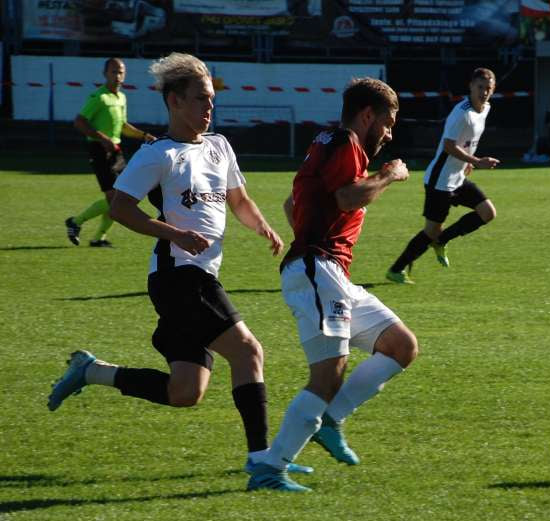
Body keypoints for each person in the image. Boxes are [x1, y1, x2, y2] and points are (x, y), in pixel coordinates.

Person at [48, 53, 292, 486]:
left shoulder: (219, 146)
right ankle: (262, 462)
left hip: (200, 275)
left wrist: (264, 227)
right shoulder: (158, 154)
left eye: (212, 99)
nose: (209, 107)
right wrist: (173, 233)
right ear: (175, 102)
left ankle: (91, 371)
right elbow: (121, 208)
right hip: (180, 276)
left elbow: (238, 200)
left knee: (185, 392)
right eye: (200, 99)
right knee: (249, 352)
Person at [246, 77, 419, 492]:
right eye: (389, 122)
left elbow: (294, 203)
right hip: (317, 268)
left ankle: (328, 421)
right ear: (367, 116)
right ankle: (272, 468)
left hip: (329, 271)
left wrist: (313, 236)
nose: (390, 132)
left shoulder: (326, 142)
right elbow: (346, 198)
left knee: (400, 345)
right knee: (327, 374)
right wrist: (389, 174)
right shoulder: (346, 143)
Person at [386, 68, 500, 283]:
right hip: (440, 180)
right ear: (471, 86)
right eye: (480, 87)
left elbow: (468, 141)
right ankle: (396, 269)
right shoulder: (461, 113)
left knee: (487, 212)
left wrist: (468, 164)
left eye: (488, 88)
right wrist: (476, 161)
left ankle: (441, 240)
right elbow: (448, 146)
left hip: (458, 177)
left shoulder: (485, 109)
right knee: (430, 231)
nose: (484, 92)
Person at [64, 58, 156, 248]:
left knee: (120, 198)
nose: (118, 76)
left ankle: (98, 238)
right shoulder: (98, 97)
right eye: (114, 72)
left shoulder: (121, 97)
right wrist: (102, 139)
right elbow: (80, 122)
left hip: (116, 151)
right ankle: (77, 221)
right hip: (99, 150)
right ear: (105, 74)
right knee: (114, 198)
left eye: (121, 72)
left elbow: (123, 126)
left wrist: (144, 135)